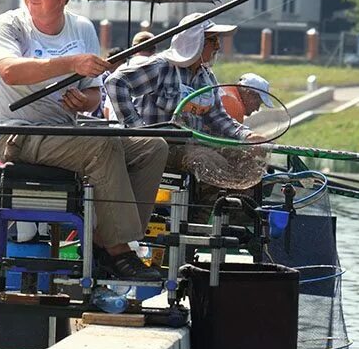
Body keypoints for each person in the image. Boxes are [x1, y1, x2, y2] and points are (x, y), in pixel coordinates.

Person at [0, 0, 167, 281]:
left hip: (65, 131)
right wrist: (71, 63)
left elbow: (94, 95)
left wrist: (82, 100)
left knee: (153, 146)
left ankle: (111, 240)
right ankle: (119, 253)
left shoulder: (82, 28)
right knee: (101, 146)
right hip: (18, 133)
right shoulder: (10, 24)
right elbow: (10, 72)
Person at [105, 13, 263, 222]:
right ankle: (198, 222)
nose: (217, 46)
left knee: (248, 157)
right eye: (212, 40)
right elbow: (116, 83)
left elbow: (217, 117)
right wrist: (137, 131)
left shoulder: (207, 77)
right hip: (161, 146)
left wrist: (246, 136)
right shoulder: (162, 67)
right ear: (194, 42)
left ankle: (236, 222)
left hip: (190, 145)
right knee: (207, 160)